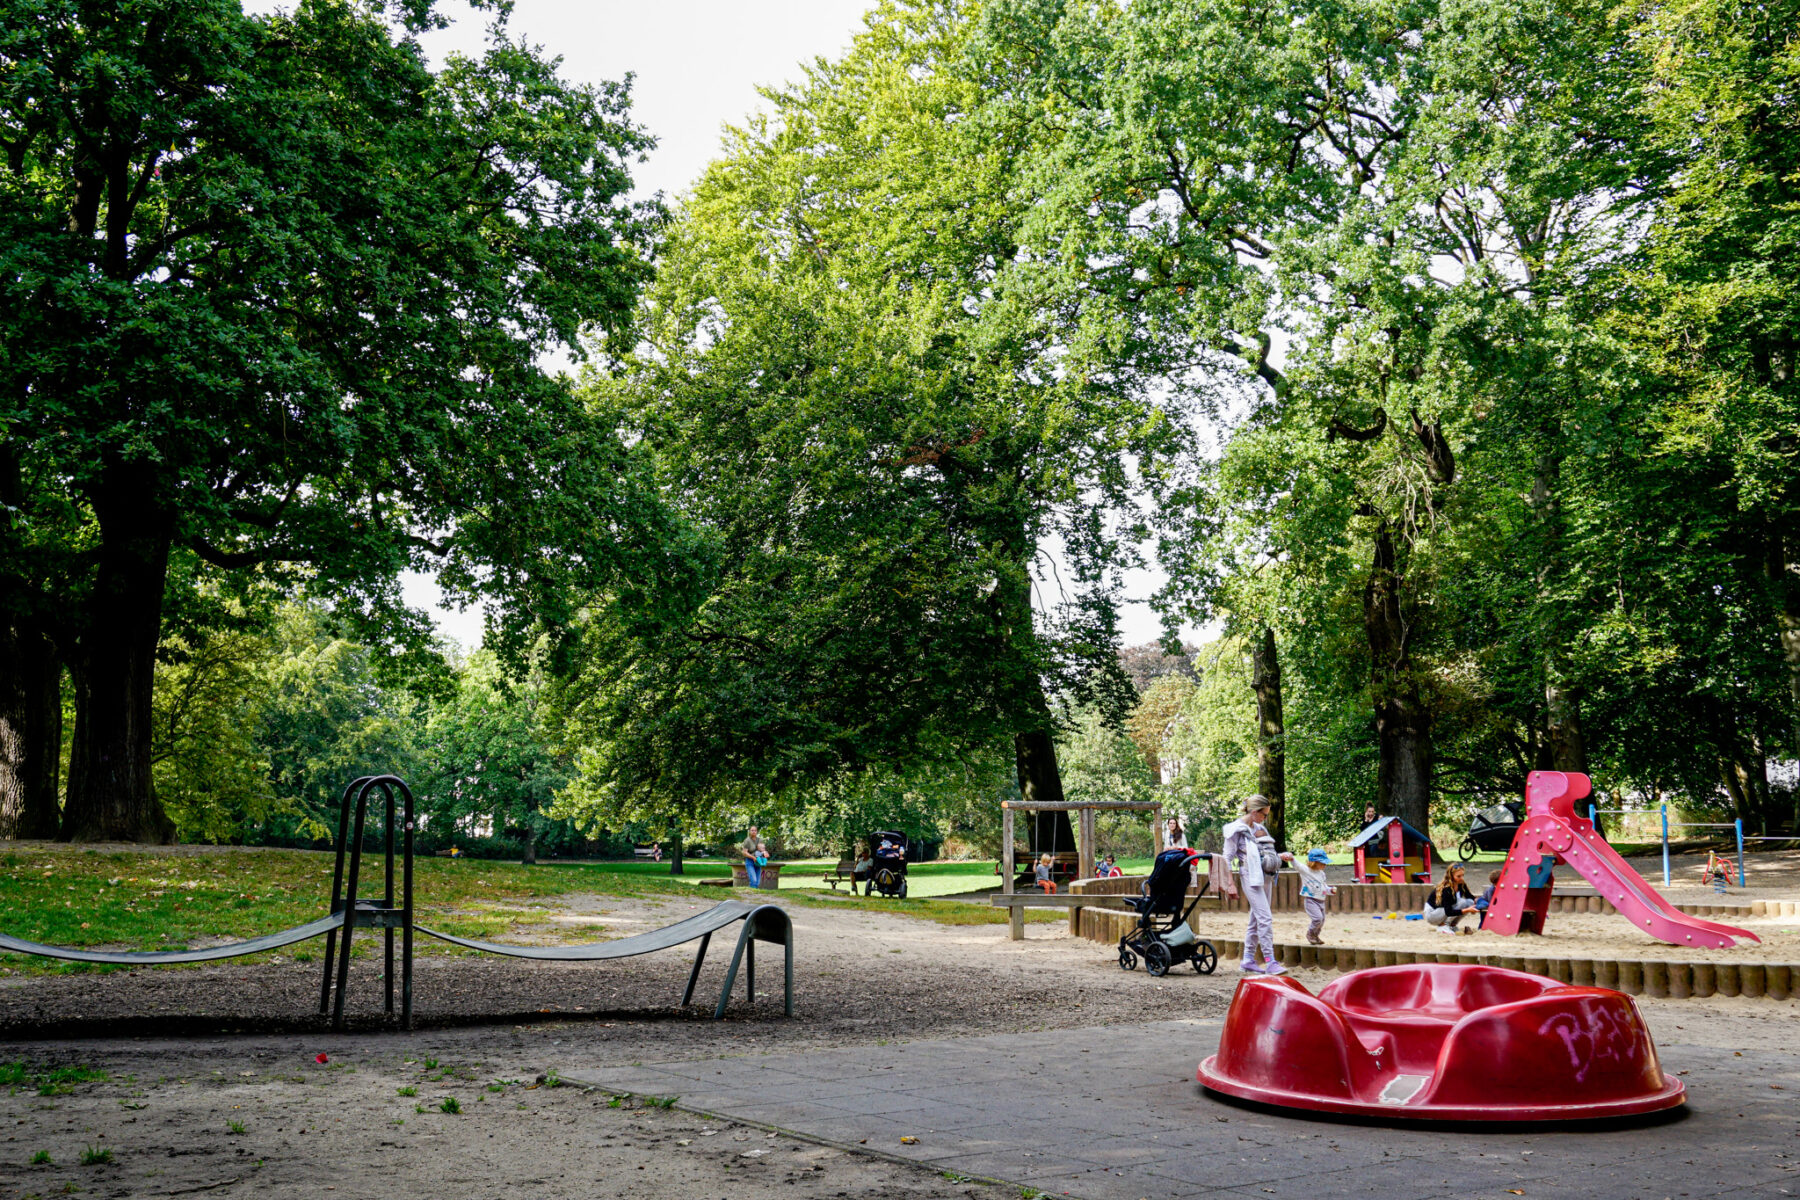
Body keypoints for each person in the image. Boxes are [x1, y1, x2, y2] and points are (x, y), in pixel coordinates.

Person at [1222, 794, 1292, 974]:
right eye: (1264, 814)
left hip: (1265, 876)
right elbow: (1227, 858)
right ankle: (1270, 961)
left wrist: (1280, 856)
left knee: (1256, 918)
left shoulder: (1259, 828)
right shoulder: (1236, 830)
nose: (1265, 818)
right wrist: (1230, 883)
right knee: (1265, 918)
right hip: (1250, 876)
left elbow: (1266, 852)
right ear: (1254, 812)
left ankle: (1247, 959)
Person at [1296, 849, 1336, 945]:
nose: (1325, 865)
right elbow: (1297, 865)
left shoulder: (1321, 873)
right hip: (1311, 900)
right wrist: (1291, 858)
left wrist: (1329, 890)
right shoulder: (1306, 871)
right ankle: (1310, 934)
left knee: (1321, 921)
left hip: (1321, 900)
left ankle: (1315, 936)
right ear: (1314, 862)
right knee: (1317, 918)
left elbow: (1323, 886)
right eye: (1322, 863)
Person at [1425, 863, 1478, 934]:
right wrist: (1467, 910)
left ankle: (1452, 925)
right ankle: (1444, 926)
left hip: (1443, 911)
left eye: (1463, 875)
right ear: (1451, 876)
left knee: (1470, 902)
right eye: (1458, 876)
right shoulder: (1446, 889)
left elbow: (1470, 896)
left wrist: (1478, 901)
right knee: (1461, 902)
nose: (1461, 878)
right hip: (1433, 914)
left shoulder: (1461, 884)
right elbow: (1449, 911)